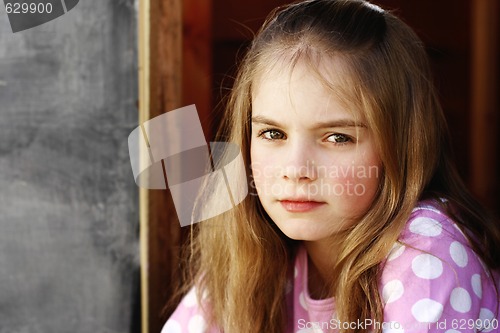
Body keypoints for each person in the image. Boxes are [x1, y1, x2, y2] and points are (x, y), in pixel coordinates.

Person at [162, 0, 500, 332]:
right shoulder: (251, 254)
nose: (295, 170)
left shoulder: (428, 247)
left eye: (337, 138)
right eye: (273, 133)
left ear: (401, 143)